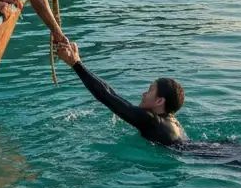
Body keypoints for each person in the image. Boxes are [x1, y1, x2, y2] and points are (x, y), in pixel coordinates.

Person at [55, 40, 187, 147]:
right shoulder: (172, 123)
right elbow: (112, 95)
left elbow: (106, 97)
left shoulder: (150, 120)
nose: (144, 94)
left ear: (159, 101)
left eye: (150, 90)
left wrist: (76, 64)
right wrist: (78, 62)